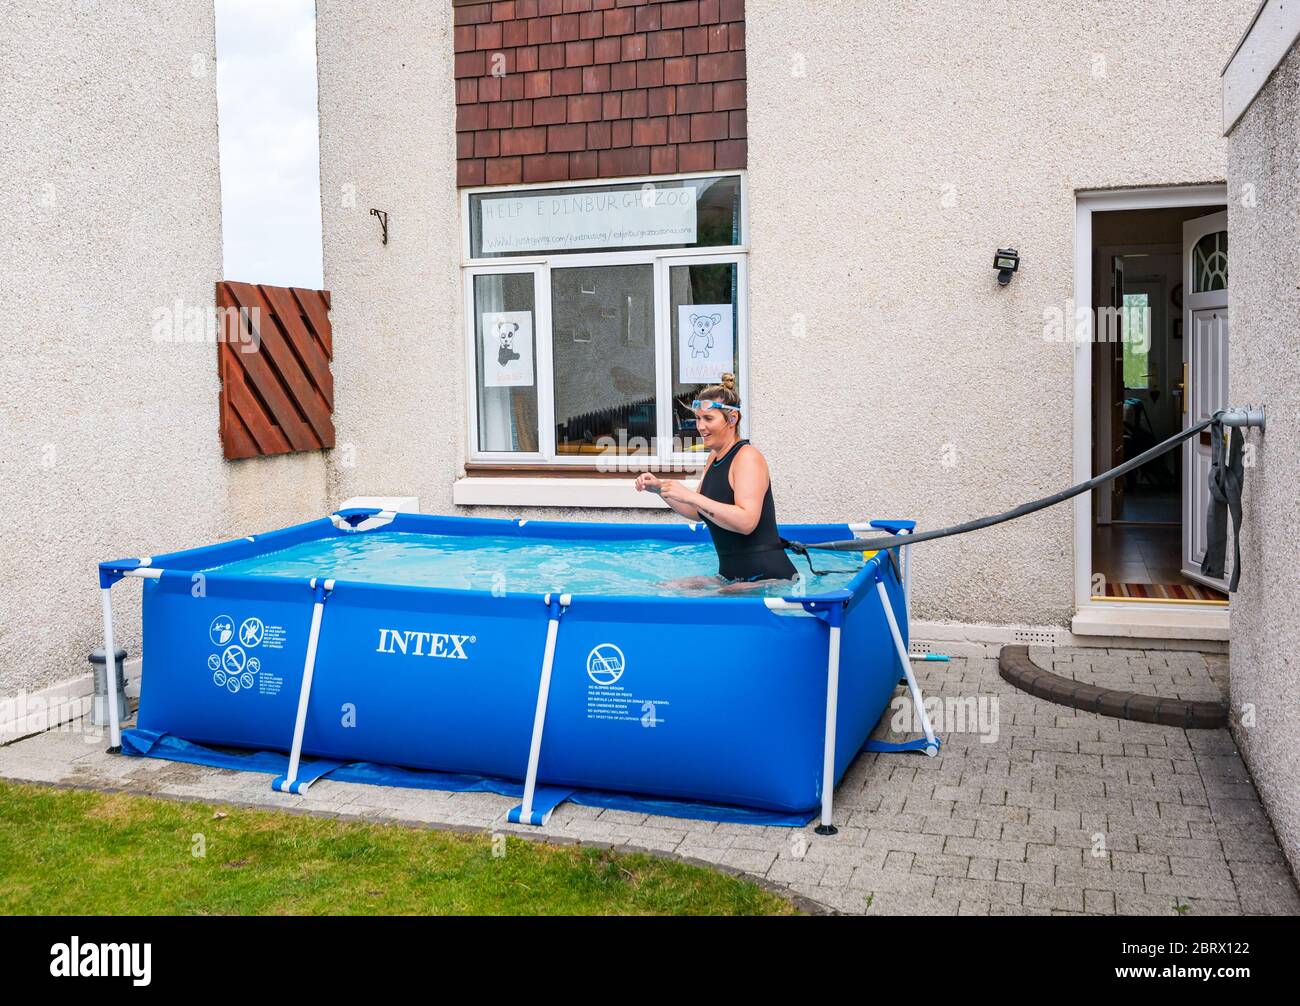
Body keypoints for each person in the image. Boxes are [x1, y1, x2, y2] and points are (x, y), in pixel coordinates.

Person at [634, 373, 798, 590]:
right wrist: (660, 490)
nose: (700, 426)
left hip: (770, 579)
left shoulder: (747, 457)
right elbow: (697, 511)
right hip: (730, 578)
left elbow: (747, 522)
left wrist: (690, 495)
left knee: (709, 601)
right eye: (698, 418)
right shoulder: (714, 457)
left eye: (708, 419)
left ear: (732, 419)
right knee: (663, 587)